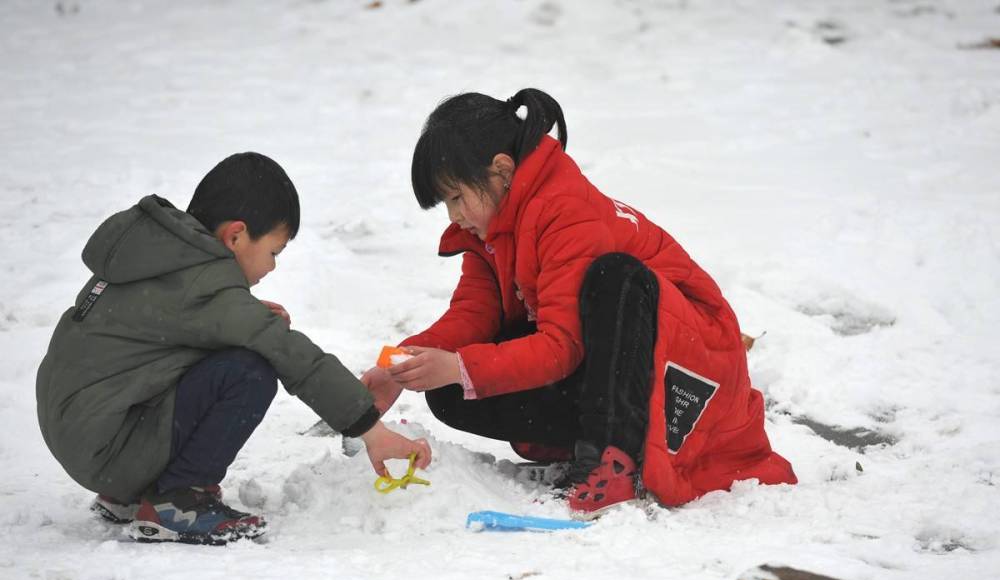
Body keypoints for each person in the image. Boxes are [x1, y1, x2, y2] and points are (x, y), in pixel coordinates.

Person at [361, 89, 796, 516]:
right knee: (450, 388)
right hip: (622, 368)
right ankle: (591, 441)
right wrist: (403, 365)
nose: (453, 216)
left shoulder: (566, 211)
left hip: (694, 371)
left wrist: (459, 365)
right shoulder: (490, 230)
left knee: (613, 277)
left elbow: (561, 346)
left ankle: (614, 459)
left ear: (502, 170)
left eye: (456, 197)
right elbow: (474, 314)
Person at [36, 152, 430, 544]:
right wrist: (369, 428)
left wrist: (243, 316)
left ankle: (129, 495)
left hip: (84, 432)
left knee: (242, 345)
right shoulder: (206, 285)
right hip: (111, 448)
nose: (272, 267)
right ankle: (177, 501)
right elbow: (293, 356)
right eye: (273, 252)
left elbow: (152, 328)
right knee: (250, 369)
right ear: (236, 236)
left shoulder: (159, 254)